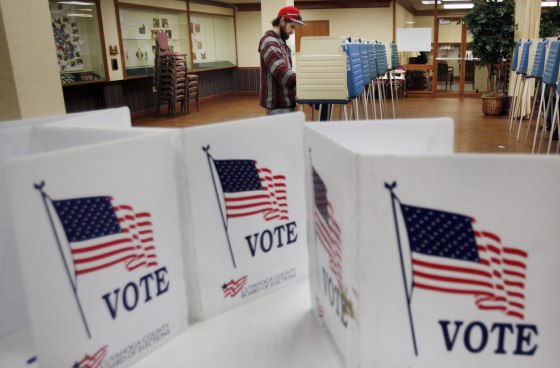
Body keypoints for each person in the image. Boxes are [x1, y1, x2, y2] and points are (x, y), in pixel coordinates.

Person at [258, 6, 305, 115]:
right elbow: (280, 70)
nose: (293, 31)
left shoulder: (281, 43)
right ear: (282, 21)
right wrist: (304, 85)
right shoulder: (269, 41)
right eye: (292, 27)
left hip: (285, 104)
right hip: (278, 107)